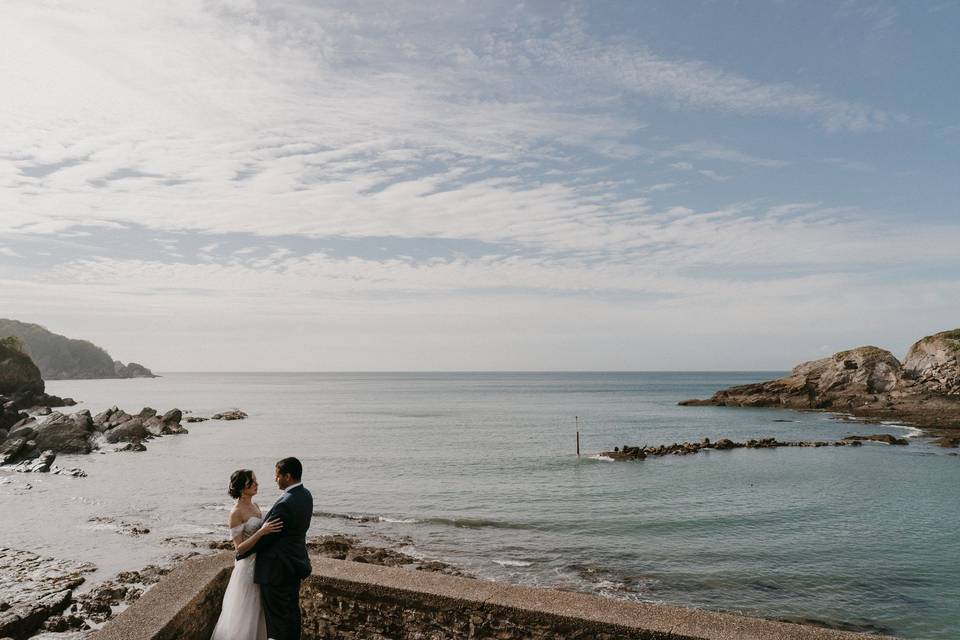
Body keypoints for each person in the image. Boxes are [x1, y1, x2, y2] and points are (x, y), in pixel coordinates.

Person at [237, 457, 314, 640]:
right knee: (292, 615)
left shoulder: (285, 503)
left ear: (287, 476)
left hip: (276, 570)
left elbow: (268, 537)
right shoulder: (306, 495)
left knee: (277, 622)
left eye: (277, 475)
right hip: (295, 564)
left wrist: (242, 552)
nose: (275, 479)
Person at [210, 469, 283, 640]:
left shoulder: (255, 506)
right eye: (253, 481)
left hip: (262, 563)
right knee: (244, 612)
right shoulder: (236, 512)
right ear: (243, 486)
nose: (257, 484)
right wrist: (261, 532)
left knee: (259, 610)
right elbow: (239, 548)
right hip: (247, 567)